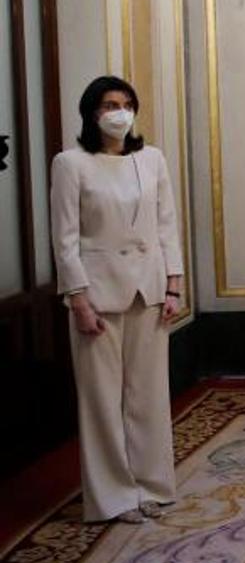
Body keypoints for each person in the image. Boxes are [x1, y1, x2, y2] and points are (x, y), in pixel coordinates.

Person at [51, 76, 184, 524]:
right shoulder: (71, 164)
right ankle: (114, 496)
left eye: (127, 104)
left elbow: (167, 224)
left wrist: (174, 284)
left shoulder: (152, 160)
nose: (120, 112)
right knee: (102, 400)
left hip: (149, 291)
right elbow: (65, 239)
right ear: (93, 112)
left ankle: (151, 485)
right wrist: (78, 298)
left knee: (147, 396)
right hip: (98, 295)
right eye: (111, 104)